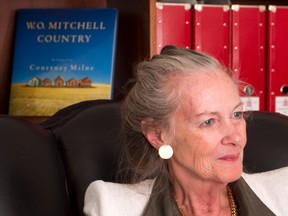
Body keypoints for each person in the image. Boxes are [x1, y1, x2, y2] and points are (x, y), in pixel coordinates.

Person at [84, 45, 288, 216]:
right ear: (157, 135)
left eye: (236, 115)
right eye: (209, 122)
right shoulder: (113, 206)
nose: (236, 137)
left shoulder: (283, 192)